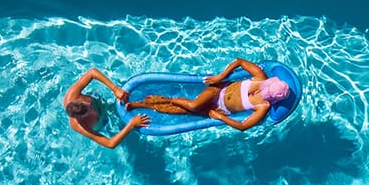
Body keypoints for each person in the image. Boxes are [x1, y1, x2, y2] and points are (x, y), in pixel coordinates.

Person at [125, 58, 290, 132]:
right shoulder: (260, 77)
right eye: (266, 88)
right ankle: (167, 99)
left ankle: (141, 104)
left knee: (174, 111)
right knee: (193, 105)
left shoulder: (263, 106)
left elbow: (243, 127)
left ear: (272, 98)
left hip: (220, 110)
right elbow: (239, 61)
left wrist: (220, 118)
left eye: (265, 93)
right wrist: (221, 76)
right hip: (218, 91)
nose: (261, 91)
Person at [64, 67, 149, 149]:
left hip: (99, 101)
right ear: (82, 117)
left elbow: (92, 72)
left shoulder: (72, 94)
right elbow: (110, 144)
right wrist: (131, 125)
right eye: (89, 110)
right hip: (102, 120)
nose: (90, 105)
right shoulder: (81, 126)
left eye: (88, 104)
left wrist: (115, 89)